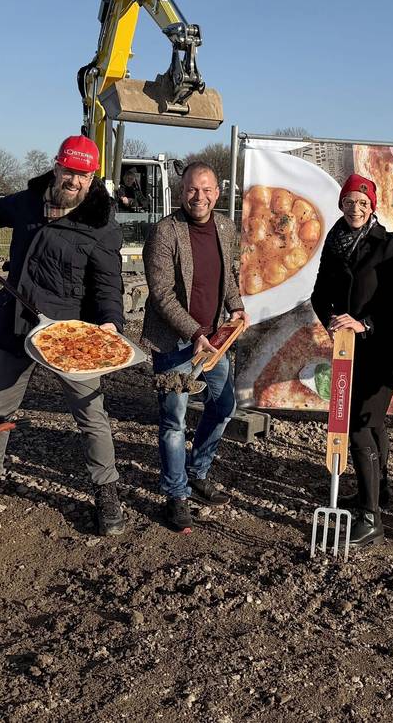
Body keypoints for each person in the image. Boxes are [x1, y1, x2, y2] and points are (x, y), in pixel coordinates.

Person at [0, 134, 128, 536]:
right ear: (56, 167)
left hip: (69, 336)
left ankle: (106, 490)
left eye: (82, 175)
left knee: (91, 414)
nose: (73, 180)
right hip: (16, 323)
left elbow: (108, 286)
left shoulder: (101, 225)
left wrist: (111, 322)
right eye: (68, 171)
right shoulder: (29, 201)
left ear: (93, 177)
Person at [142, 161, 248, 532]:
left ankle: (197, 470)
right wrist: (194, 332)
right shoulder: (165, 232)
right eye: (191, 189)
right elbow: (161, 294)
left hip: (213, 343)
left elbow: (228, 276)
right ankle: (176, 494)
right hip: (174, 343)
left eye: (206, 190)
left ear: (217, 193)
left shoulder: (225, 227)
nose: (198, 197)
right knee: (174, 420)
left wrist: (236, 306)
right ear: (181, 191)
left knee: (224, 405)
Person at [310, 173, 393, 548]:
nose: (356, 208)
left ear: (372, 207)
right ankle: (378, 492)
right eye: (349, 202)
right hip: (347, 347)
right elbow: (320, 293)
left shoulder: (390, 244)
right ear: (341, 205)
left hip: (380, 344)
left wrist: (363, 323)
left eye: (363, 203)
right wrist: (333, 322)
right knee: (372, 421)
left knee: (360, 424)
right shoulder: (334, 241)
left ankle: (371, 520)